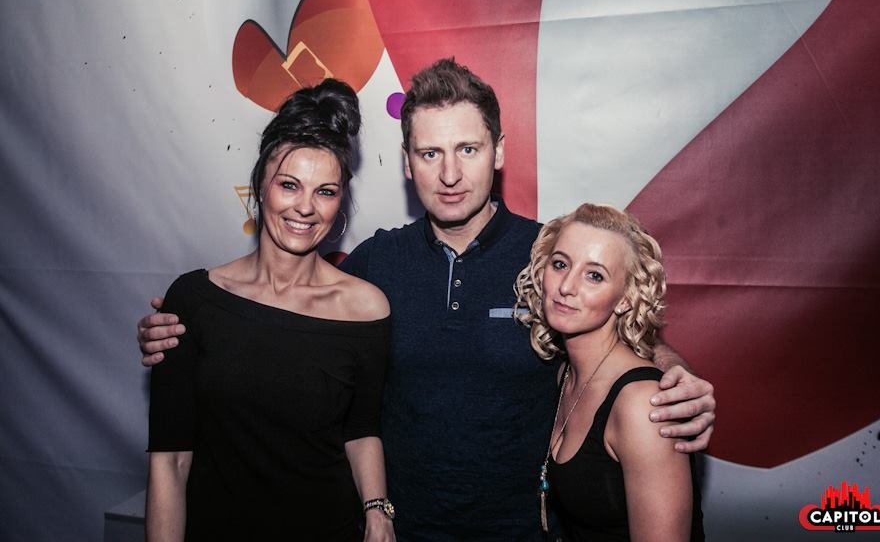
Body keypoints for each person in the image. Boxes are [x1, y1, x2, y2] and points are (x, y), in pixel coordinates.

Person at [138, 59, 716, 541]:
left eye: (468, 149)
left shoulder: (550, 259)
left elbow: (623, 343)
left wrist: (673, 377)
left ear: (498, 152)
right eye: (430, 153)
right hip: (398, 531)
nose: (450, 174)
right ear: (407, 161)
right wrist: (185, 324)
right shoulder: (374, 264)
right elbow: (287, 312)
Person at [144, 79, 395, 542]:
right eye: (289, 185)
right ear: (261, 184)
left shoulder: (365, 309)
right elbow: (170, 461)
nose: (305, 207)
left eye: (325, 191)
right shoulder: (193, 301)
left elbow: (361, 430)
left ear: (341, 201)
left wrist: (378, 513)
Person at [515, 203, 704, 541]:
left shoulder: (643, 404)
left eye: (595, 275)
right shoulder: (565, 374)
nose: (567, 286)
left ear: (625, 299)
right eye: (560, 264)